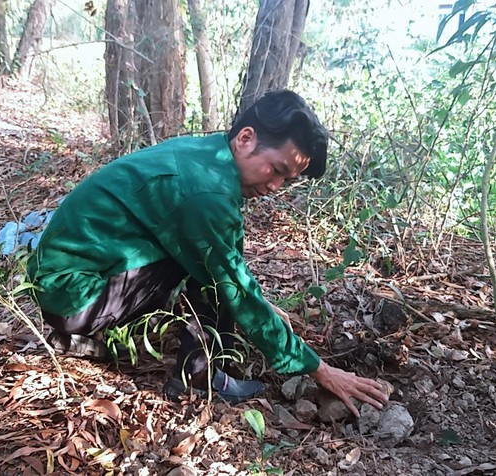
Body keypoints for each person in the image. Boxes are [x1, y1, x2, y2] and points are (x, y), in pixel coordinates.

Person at [26, 90, 389, 416]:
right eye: (277, 170)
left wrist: (257, 304)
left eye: (287, 181)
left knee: (216, 269)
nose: (276, 186)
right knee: (214, 277)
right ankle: (197, 379)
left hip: (69, 281)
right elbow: (230, 280)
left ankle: (209, 364)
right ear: (246, 138)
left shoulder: (207, 156)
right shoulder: (206, 192)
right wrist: (319, 369)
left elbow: (231, 260)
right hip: (75, 296)